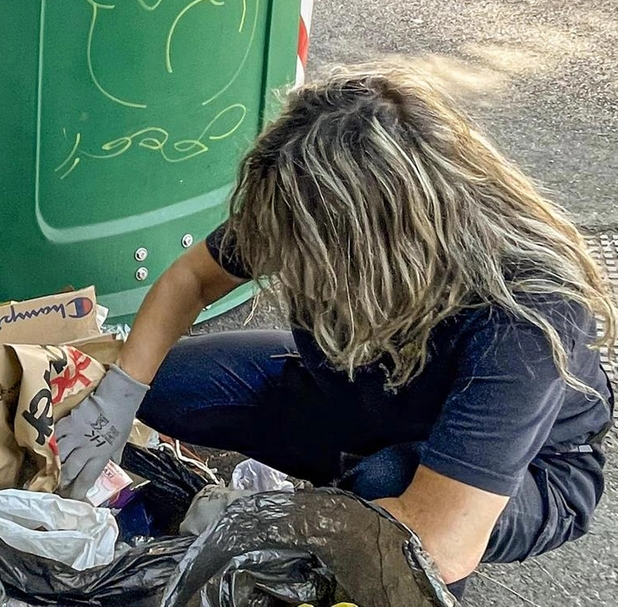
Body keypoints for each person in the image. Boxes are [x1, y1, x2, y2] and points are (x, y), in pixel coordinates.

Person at [55, 68, 614, 593]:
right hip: (362, 388)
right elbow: (192, 279)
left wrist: (264, 528)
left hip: (525, 469)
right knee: (169, 386)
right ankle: (349, 483)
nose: (286, 270)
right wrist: (121, 394)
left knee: (389, 508)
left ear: (381, 245)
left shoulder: (524, 315)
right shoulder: (307, 210)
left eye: (311, 264)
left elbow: (444, 542)